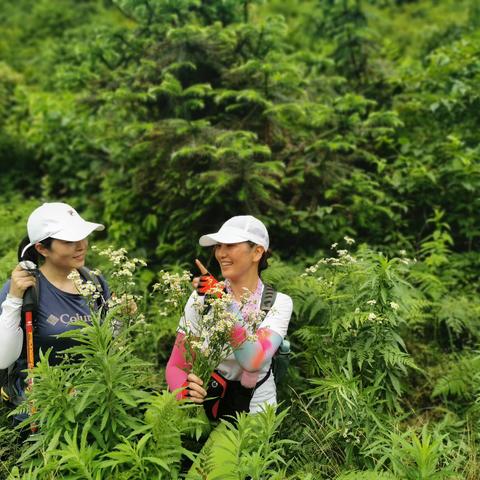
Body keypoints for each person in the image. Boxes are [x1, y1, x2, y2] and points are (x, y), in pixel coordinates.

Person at [166, 215, 293, 416]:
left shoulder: (278, 303)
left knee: (221, 449)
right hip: (207, 404)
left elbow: (253, 360)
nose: (221, 253)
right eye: (218, 246)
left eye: (230, 245)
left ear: (257, 252)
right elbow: (176, 366)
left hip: (254, 411)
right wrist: (184, 391)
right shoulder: (202, 297)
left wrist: (223, 303)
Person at [0, 202, 109, 407]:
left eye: (82, 236)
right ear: (42, 248)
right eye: (69, 241)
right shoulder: (23, 289)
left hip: (95, 405)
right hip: (43, 412)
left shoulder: (95, 282)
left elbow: (110, 343)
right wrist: (14, 298)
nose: (81, 245)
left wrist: (123, 317)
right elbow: (3, 359)